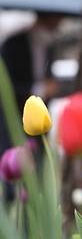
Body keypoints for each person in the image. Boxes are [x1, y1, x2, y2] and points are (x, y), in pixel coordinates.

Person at [0, 12, 62, 200]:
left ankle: (33, 204)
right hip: (13, 117)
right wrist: (40, 89)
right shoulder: (13, 44)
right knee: (15, 170)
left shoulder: (50, 46)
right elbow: (6, 84)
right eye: (55, 20)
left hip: (38, 123)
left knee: (37, 169)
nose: (58, 25)